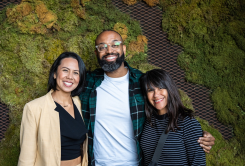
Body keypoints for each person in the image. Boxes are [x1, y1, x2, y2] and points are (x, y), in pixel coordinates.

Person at [79, 30, 215, 166]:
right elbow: (62, 96)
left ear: (124, 49)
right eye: (102, 47)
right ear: (97, 53)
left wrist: (198, 135)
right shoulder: (86, 83)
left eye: (115, 45)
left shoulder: (143, 82)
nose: (109, 50)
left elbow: (168, 112)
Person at [18, 52, 88, 166]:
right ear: (55, 73)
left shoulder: (80, 104)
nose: (70, 76)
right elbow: (26, 157)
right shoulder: (34, 108)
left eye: (76, 72)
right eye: (65, 70)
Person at [140, 69, 206, 165]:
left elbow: (198, 163)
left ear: (169, 89)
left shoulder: (188, 123)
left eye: (160, 88)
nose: (156, 94)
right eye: (150, 90)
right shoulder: (147, 122)